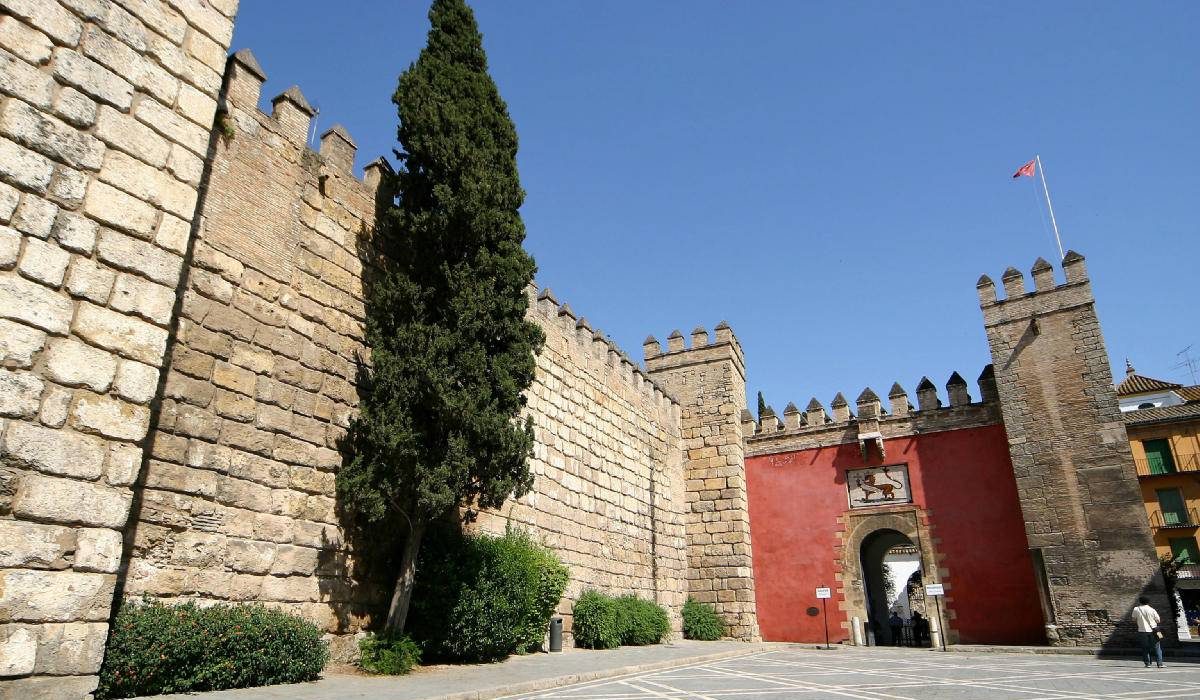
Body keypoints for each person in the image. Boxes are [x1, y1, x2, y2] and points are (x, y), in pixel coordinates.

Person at [1132, 595, 1163, 668]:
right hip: (1154, 630)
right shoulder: (1152, 609)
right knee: (1157, 647)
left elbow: (1133, 619)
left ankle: (1147, 663)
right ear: (1148, 602)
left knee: (1145, 647)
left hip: (1142, 630)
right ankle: (1160, 663)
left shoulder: (1136, 609)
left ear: (1140, 602)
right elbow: (1158, 620)